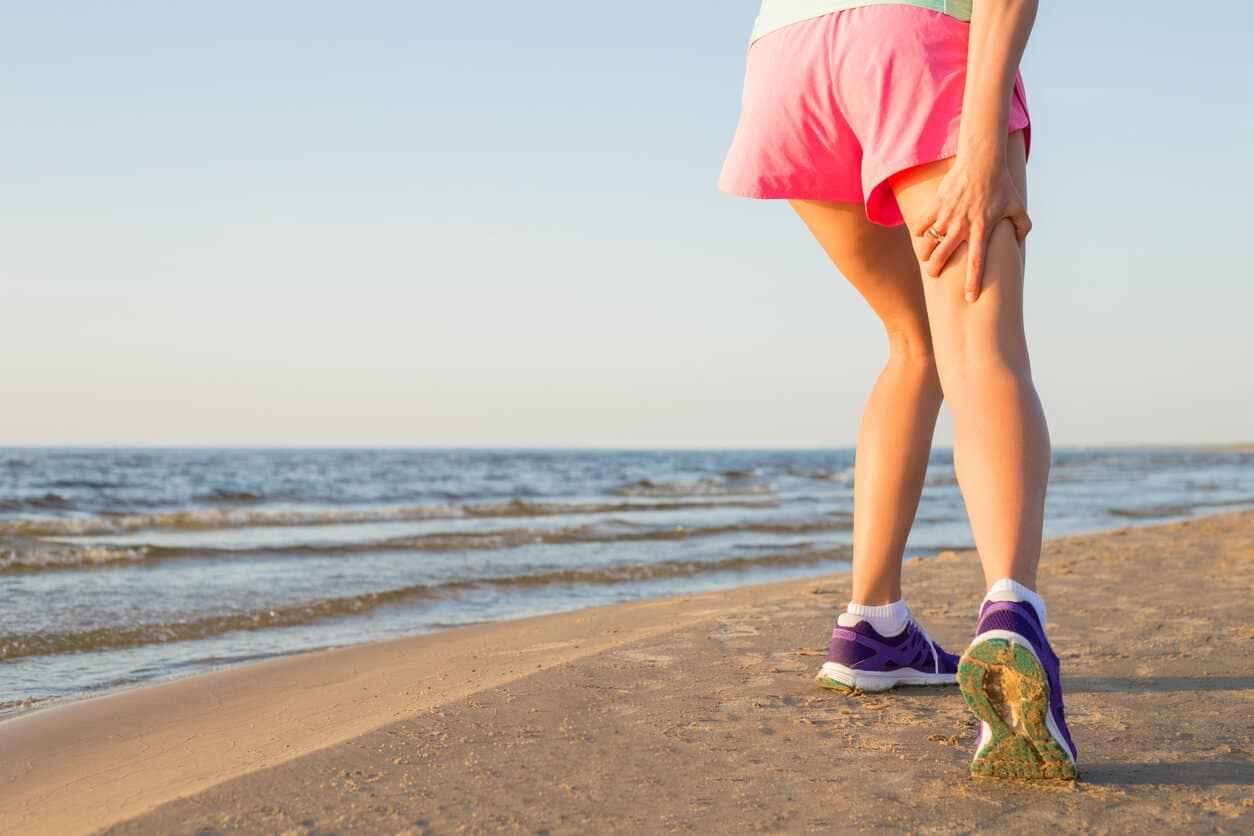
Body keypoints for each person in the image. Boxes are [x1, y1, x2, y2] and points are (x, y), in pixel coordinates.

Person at [716, 0, 1076, 780]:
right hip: (915, 37)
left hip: (789, 53)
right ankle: (1015, 617)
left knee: (915, 341)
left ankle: (873, 627)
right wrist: (982, 135)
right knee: (982, 345)